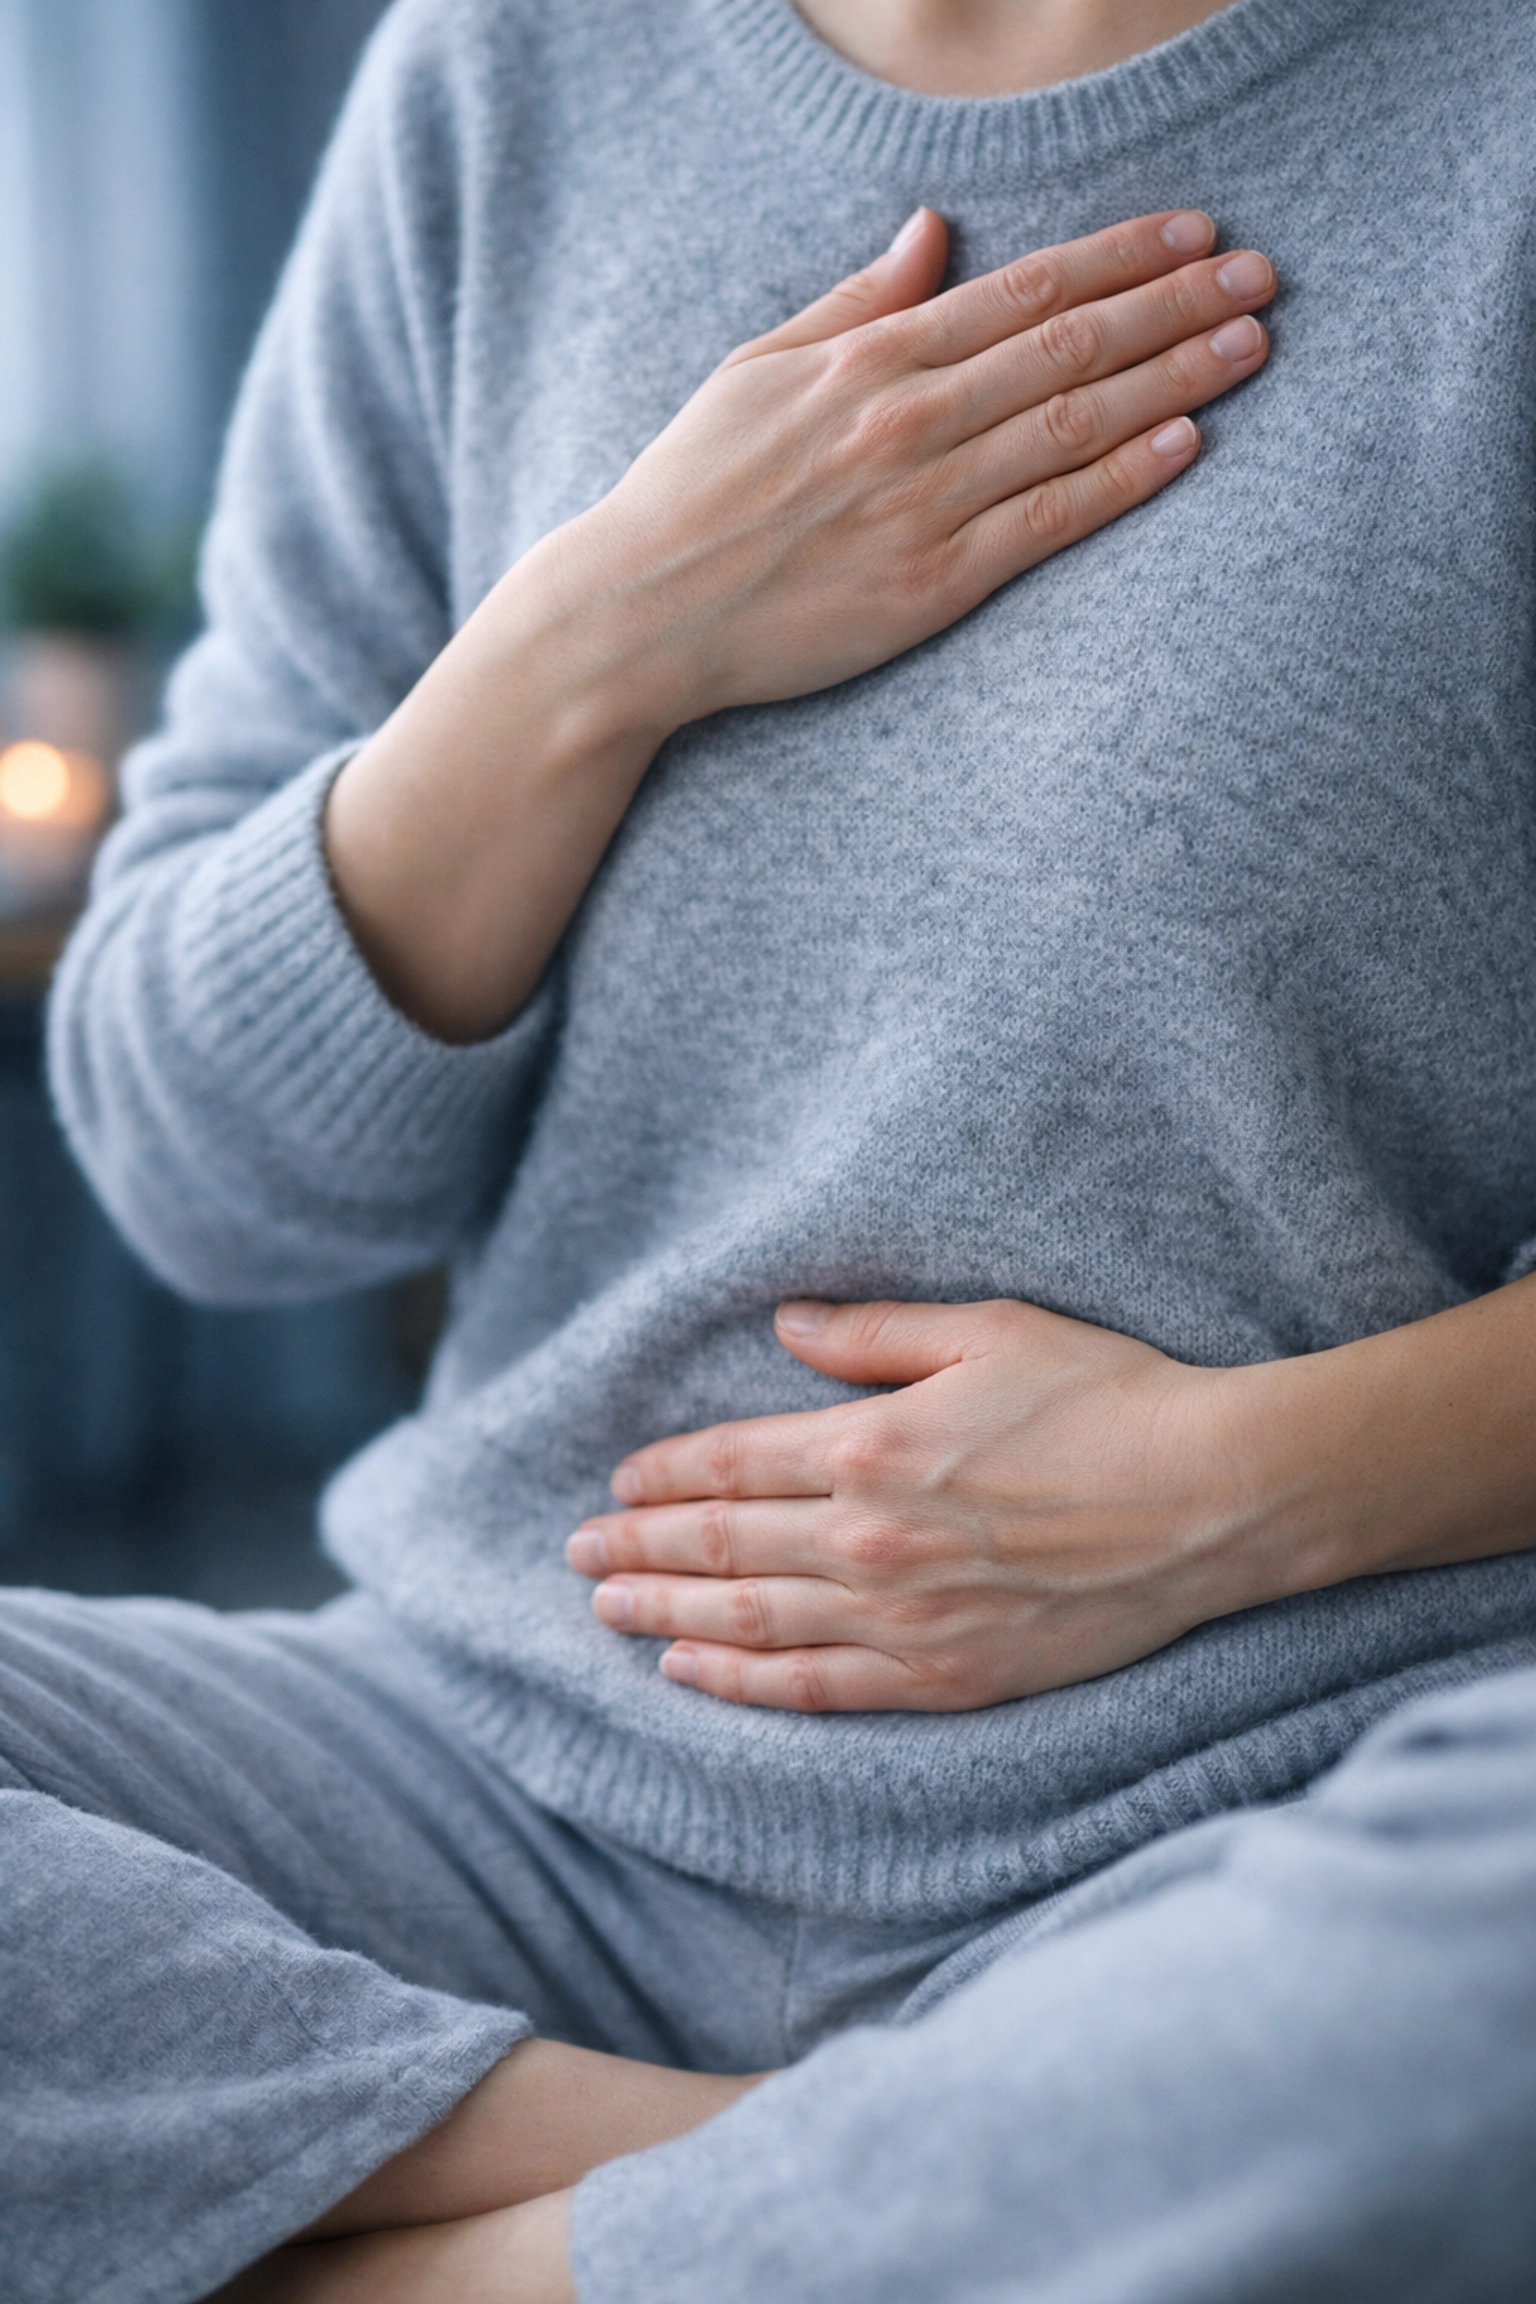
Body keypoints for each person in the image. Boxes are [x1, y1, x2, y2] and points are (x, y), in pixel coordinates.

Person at [8, 0, 1536, 2295]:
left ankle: (414, 2247)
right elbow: (206, 1177)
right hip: (485, 1793)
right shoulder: (505, 70)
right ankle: (889, 2190)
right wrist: (595, 641)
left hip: (1285, 1821)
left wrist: (1225, 1493)